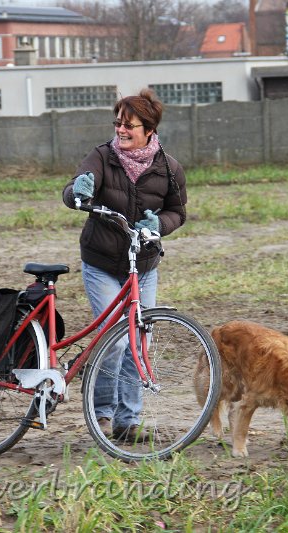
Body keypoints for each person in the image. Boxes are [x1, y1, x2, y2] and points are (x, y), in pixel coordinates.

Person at [62, 89, 187, 441]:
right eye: (117, 123)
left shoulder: (169, 168)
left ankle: (127, 422)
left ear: (149, 129)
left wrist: (159, 225)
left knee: (139, 339)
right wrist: (78, 191)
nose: (120, 130)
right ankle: (102, 413)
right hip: (101, 262)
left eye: (129, 125)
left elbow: (178, 212)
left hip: (142, 265)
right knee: (114, 340)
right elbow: (71, 192)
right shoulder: (102, 157)